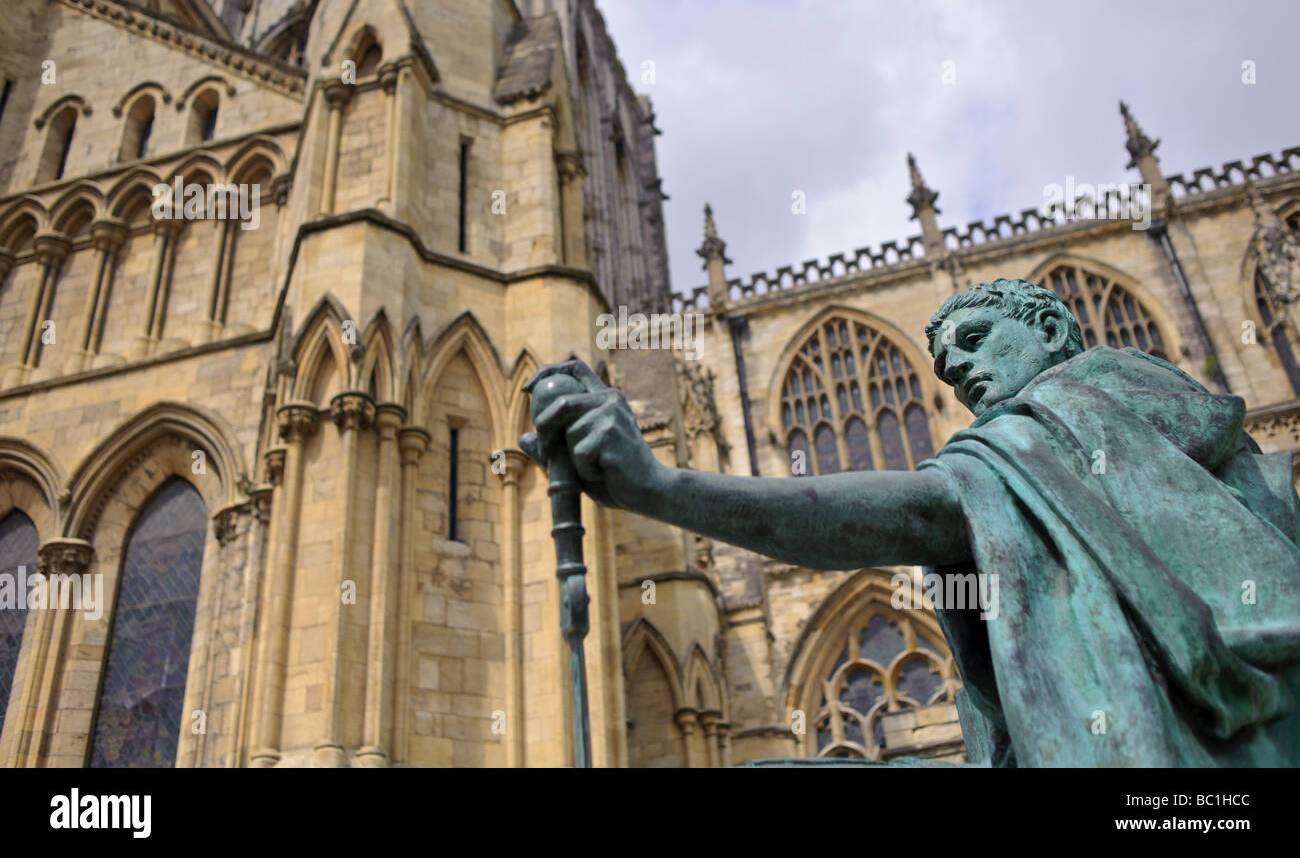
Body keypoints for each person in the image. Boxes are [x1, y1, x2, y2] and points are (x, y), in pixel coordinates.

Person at [521, 279, 1300, 766]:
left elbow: (924, 506)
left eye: (975, 339)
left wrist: (661, 485)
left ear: (1056, 332)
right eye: (943, 365)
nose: (958, 369)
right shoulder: (1040, 475)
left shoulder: (1090, 403)